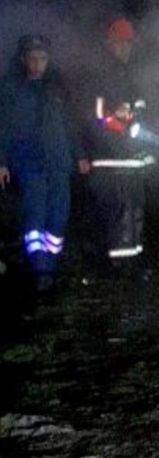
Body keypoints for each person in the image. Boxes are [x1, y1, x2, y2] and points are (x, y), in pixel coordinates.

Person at [0, 35, 90, 291]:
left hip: (59, 161)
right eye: (33, 58)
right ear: (23, 59)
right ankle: (41, 269)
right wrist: (1, 161)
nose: (38, 64)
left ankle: (51, 264)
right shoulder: (12, 89)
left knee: (59, 216)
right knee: (35, 216)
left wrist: (80, 155)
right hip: (29, 162)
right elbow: (3, 127)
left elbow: (70, 125)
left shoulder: (57, 89)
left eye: (42, 59)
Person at [84, 17, 150, 268]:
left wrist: (134, 118)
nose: (125, 48)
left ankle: (133, 260)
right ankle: (117, 266)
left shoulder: (131, 75)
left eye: (128, 43)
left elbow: (141, 109)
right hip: (110, 158)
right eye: (121, 43)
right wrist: (120, 122)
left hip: (131, 158)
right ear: (110, 43)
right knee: (118, 214)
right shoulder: (99, 75)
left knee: (135, 212)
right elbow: (98, 116)